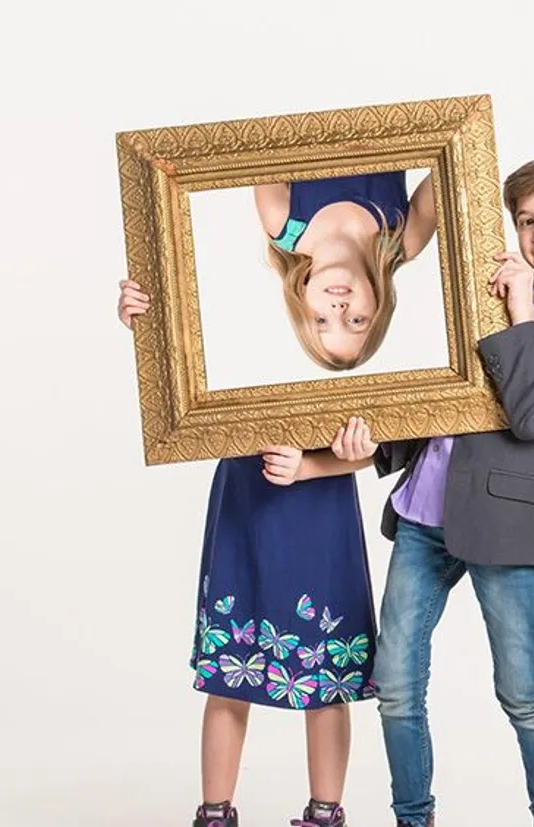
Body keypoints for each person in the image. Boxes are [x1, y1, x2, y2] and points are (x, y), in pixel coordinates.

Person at [347, 156, 534, 827]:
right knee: (395, 684)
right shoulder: (490, 276)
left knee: (522, 689)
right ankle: (412, 816)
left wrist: (520, 310)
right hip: (426, 508)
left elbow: (532, 414)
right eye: (528, 220)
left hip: (506, 522)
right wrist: (379, 442)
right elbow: (455, 390)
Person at [117, 280, 380, 827]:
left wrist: (314, 466)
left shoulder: (364, 300)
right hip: (246, 494)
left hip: (320, 509)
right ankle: (215, 813)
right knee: (229, 670)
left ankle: (325, 813)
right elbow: (192, 351)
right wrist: (149, 325)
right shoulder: (252, 285)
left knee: (324, 674)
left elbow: (388, 430)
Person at [255, 170, 437, 370]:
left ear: (302, 299)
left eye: (321, 320)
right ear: (378, 305)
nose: (339, 310)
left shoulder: (280, 219)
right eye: (356, 321)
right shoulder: (404, 239)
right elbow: (458, 159)